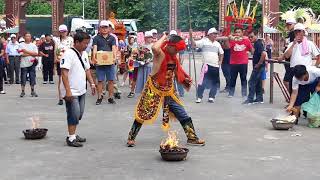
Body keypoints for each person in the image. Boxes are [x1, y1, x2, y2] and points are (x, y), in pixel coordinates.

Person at [126, 33, 205, 147]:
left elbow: (177, 72)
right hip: (154, 88)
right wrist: (164, 36)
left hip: (168, 90)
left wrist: (185, 79)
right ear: (170, 46)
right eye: (176, 50)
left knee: (181, 112)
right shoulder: (160, 53)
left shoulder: (174, 57)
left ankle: (192, 137)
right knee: (143, 113)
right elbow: (154, 47)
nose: (177, 52)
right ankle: (131, 137)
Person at [60, 31, 96, 147]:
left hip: (82, 90)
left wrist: (92, 84)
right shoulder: (68, 54)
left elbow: (87, 70)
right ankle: (71, 138)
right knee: (73, 114)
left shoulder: (84, 54)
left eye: (88, 43)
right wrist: (68, 91)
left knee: (79, 114)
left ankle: (73, 134)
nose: (87, 45)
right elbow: (64, 74)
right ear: (77, 42)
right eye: (85, 43)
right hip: (71, 91)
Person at [283, 23, 320, 93]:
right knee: (294, 91)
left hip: (305, 71)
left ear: (303, 32)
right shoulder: (291, 44)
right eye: (295, 31)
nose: (297, 33)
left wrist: (315, 66)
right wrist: (293, 44)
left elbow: (318, 56)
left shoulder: (310, 43)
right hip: (294, 70)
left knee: (305, 92)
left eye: (299, 31)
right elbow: (287, 56)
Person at [191, 28, 224, 103]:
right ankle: (199, 97)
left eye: (216, 34)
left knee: (215, 82)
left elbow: (221, 53)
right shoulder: (204, 41)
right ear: (209, 34)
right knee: (202, 81)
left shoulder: (217, 44)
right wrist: (190, 35)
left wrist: (220, 61)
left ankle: (211, 97)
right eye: (214, 34)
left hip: (215, 66)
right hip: (206, 65)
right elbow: (194, 44)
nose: (215, 35)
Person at [92, 20, 117, 105]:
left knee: (110, 80)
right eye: (103, 27)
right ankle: (99, 97)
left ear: (109, 28)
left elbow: (114, 48)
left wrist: (114, 58)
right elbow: (95, 49)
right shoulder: (96, 38)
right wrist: (94, 58)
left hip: (110, 62)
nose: (104, 29)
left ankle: (110, 97)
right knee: (100, 81)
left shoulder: (112, 38)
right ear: (100, 28)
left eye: (106, 27)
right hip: (100, 62)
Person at [243, 31, 268, 105]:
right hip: (260, 66)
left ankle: (250, 99)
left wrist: (259, 63)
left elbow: (263, 54)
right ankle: (259, 99)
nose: (250, 38)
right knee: (258, 83)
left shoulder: (258, 43)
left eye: (252, 36)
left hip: (259, 67)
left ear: (256, 35)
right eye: (249, 37)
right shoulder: (257, 43)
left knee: (251, 82)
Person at [228, 28, 254, 98]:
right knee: (232, 78)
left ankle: (244, 94)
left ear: (242, 33)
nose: (237, 34)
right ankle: (231, 93)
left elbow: (252, 51)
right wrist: (228, 39)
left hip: (243, 63)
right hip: (233, 63)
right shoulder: (232, 40)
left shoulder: (246, 40)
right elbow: (227, 47)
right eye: (236, 32)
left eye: (239, 32)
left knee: (243, 78)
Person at [54, 24, 74, 105]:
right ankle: (60, 97)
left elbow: (72, 49)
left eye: (64, 31)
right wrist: (55, 59)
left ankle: (69, 94)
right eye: (61, 32)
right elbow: (55, 50)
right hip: (60, 62)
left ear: (67, 31)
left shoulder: (71, 39)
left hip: (69, 61)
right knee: (61, 80)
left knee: (70, 78)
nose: (63, 33)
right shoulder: (57, 40)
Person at [19, 32, 39, 98]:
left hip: (32, 63)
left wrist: (26, 52)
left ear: (31, 37)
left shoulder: (33, 45)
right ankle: (22, 91)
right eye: (26, 36)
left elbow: (36, 54)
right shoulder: (21, 45)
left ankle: (32, 91)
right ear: (24, 37)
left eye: (29, 36)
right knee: (23, 78)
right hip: (24, 64)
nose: (28, 37)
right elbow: (21, 54)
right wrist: (31, 54)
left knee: (32, 77)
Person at [282, 18, 297, 92]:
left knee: (287, 81)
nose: (288, 26)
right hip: (287, 59)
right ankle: (291, 97)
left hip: (291, 60)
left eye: (290, 24)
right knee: (289, 81)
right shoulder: (289, 33)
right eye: (287, 24)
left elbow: (291, 47)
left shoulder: (293, 34)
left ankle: (292, 97)